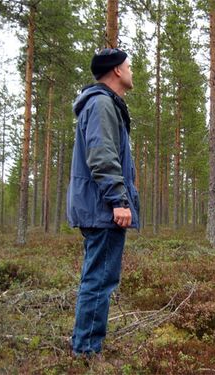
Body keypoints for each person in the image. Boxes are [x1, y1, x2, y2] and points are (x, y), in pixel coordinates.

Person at [67, 48, 139, 356]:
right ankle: (86, 351)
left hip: (100, 206)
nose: (132, 70)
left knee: (97, 277)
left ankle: (86, 345)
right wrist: (117, 200)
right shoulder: (100, 104)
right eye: (129, 66)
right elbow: (101, 155)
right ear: (117, 71)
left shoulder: (102, 104)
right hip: (102, 207)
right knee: (99, 280)